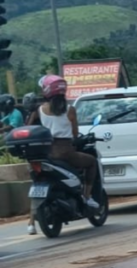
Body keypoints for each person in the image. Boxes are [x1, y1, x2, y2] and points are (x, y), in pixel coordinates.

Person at [25, 76, 101, 235]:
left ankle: (31, 223)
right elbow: (74, 134)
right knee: (92, 162)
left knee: (37, 182)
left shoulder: (39, 110)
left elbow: (28, 128)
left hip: (45, 153)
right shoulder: (70, 110)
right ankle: (87, 196)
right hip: (65, 152)